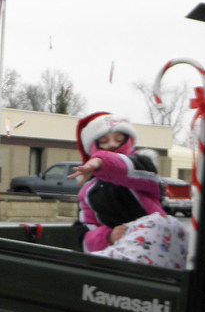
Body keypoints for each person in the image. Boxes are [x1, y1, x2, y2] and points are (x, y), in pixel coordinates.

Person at [68, 112, 187, 269]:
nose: (112, 145)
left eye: (119, 139)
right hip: (115, 249)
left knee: (162, 222)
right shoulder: (88, 190)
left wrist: (101, 161)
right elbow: (85, 228)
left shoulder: (143, 169)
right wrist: (108, 236)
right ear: (92, 147)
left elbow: (127, 168)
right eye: (103, 141)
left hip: (157, 247)